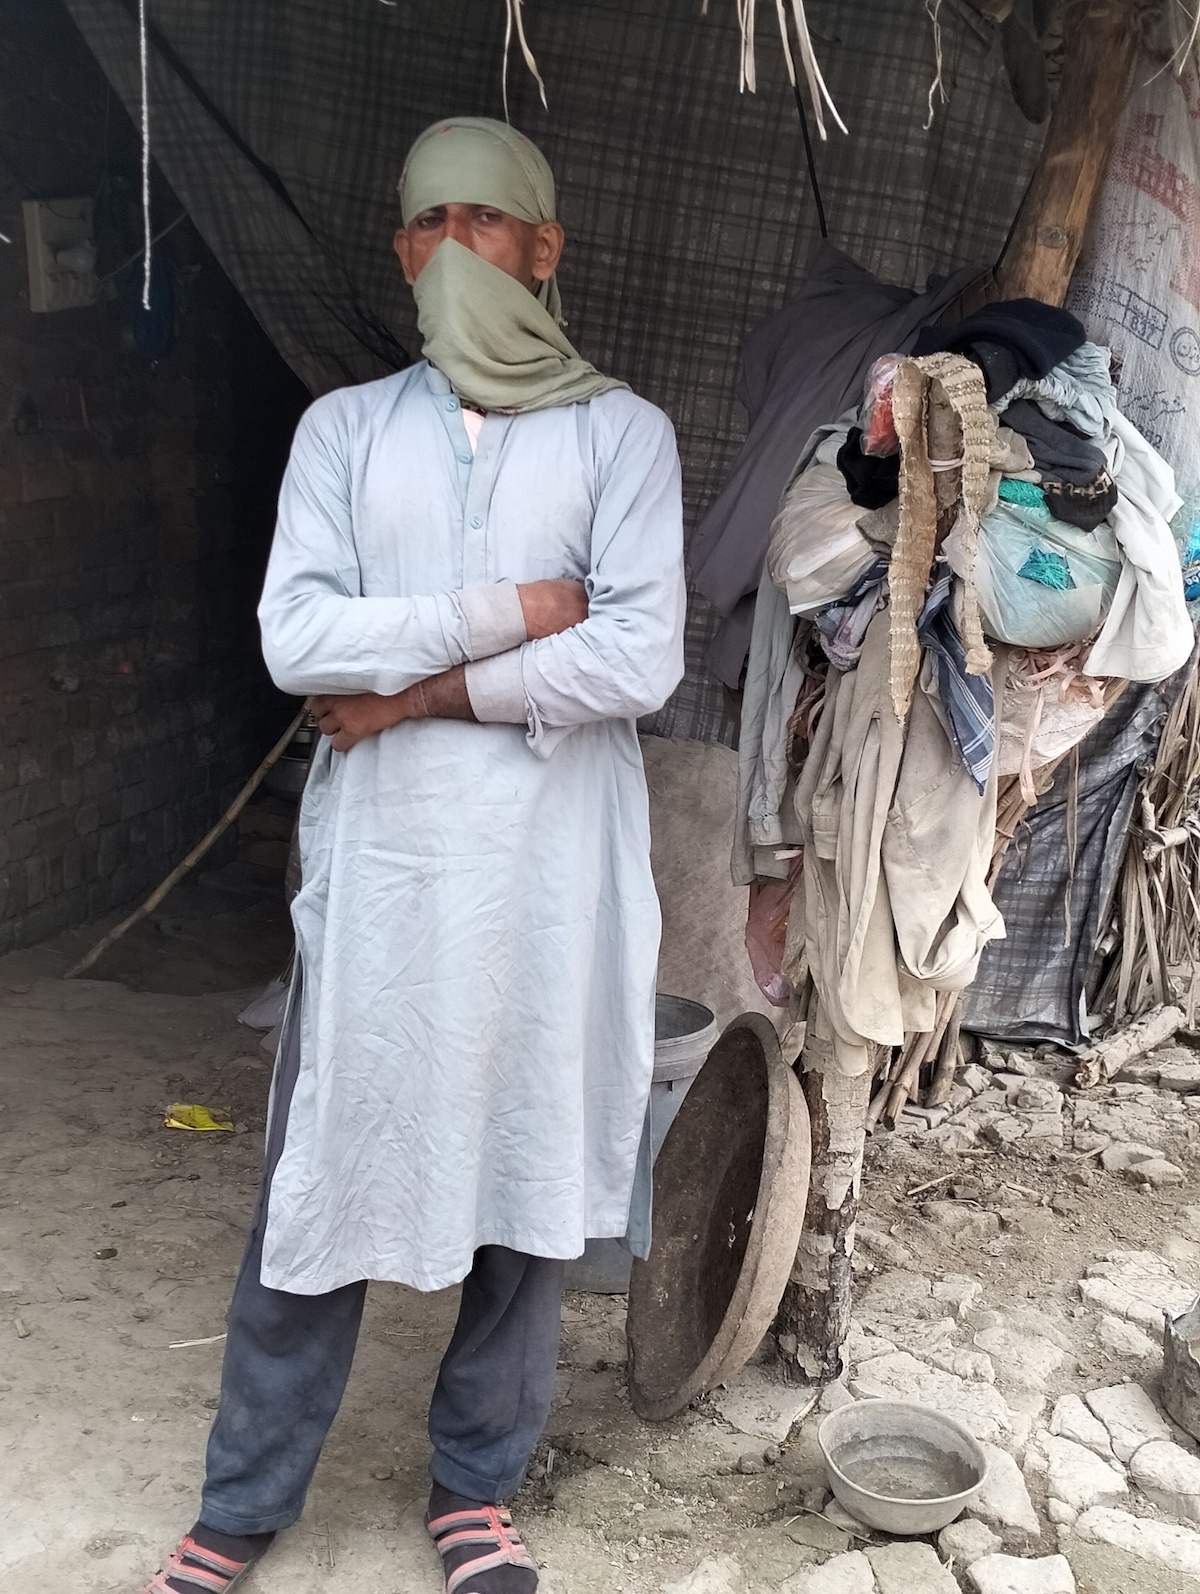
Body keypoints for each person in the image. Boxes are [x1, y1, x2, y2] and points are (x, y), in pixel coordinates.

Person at [141, 117, 685, 1594]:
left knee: (525, 1164)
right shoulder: (346, 430)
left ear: (544, 246)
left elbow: (640, 653)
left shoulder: (621, 433)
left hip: (552, 877)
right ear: (400, 250)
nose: (455, 248)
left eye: (486, 222)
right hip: (386, 872)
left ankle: (476, 1488)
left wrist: (420, 691)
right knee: (326, 1162)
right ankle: (242, 1498)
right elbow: (295, 638)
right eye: (428, 223)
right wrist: (510, 609)